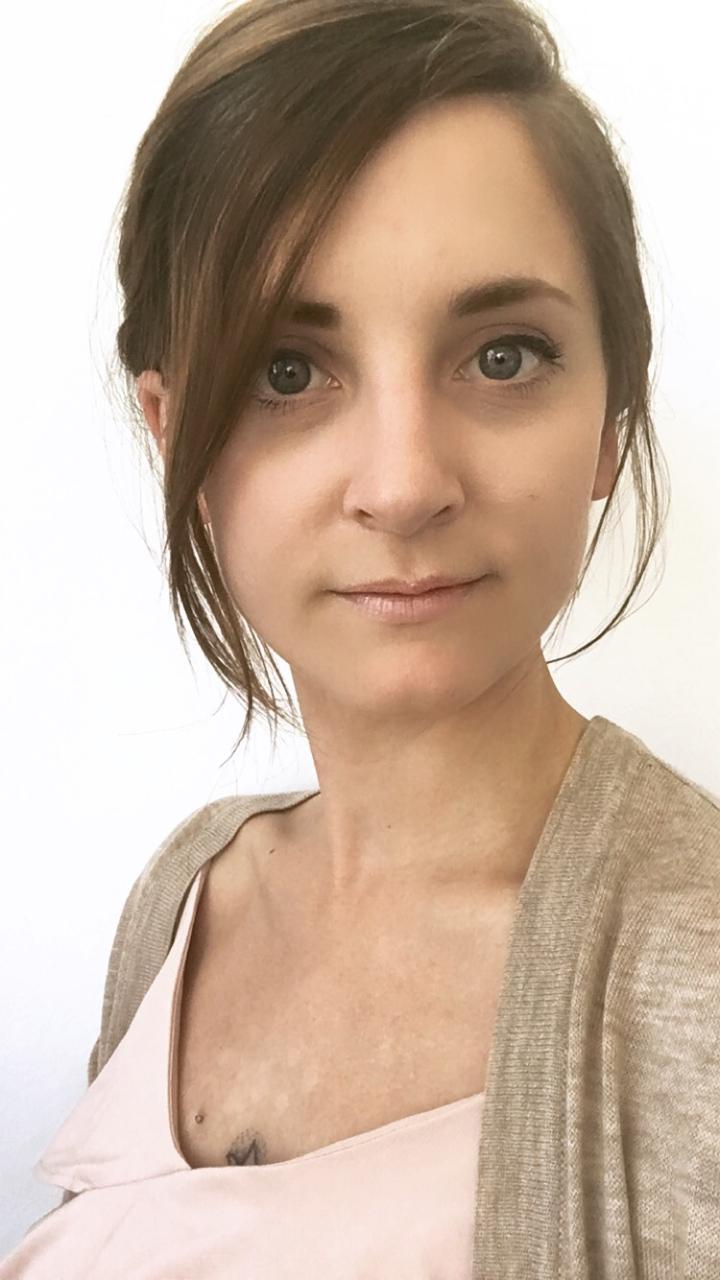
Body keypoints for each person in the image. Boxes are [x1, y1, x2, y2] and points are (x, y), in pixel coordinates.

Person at [4, 0, 718, 1276]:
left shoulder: (697, 968)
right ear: (172, 432)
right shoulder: (184, 897)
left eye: (504, 355)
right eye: (287, 370)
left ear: (612, 418)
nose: (403, 484)